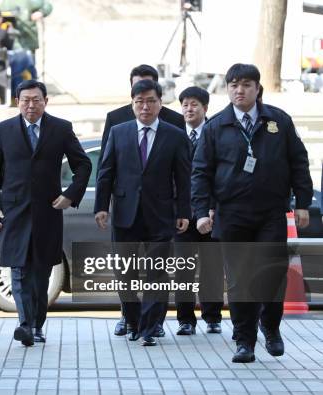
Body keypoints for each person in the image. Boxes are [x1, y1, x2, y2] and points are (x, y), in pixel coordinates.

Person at [192, 63, 312, 363]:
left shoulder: (278, 121)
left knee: (271, 275)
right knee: (239, 279)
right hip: (232, 214)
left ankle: (270, 327)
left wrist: (302, 203)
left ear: (258, 88)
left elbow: (298, 162)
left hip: (271, 212)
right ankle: (244, 341)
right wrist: (201, 211)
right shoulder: (217, 125)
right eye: (233, 85)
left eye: (245, 84)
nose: (239, 90)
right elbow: (201, 172)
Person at [0, 80, 91, 345]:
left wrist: (70, 195)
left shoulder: (61, 128)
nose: (30, 105)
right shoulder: (5, 129)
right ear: (18, 102)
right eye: (24, 100)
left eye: (35, 100)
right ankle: (25, 324)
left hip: (47, 213)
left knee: (40, 275)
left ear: (45, 101)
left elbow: (83, 165)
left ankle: (37, 324)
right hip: (15, 213)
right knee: (18, 272)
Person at [94, 79, 191, 346]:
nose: (145, 107)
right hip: (125, 213)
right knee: (124, 273)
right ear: (132, 104)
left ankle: (150, 329)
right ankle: (134, 321)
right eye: (139, 102)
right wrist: (101, 207)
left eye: (150, 101)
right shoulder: (119, 132)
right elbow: (106, 172)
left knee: (156, 274)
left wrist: (184, 211)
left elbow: (183, 178)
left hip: (161, 214)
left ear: (160, 103)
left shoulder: (175, 134)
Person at [174, 86, 224, 336]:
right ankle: (185, 319)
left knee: (212, 266)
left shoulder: (215, 134)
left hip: (211, 214)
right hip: (182, 215)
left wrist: (213, 207)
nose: (189, 109)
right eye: (185, 104)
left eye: (194, 104)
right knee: (183, 267)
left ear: (205, 108)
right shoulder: (173, 136)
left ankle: (213, 316)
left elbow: (220, 175)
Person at [99, 64, 185, 171]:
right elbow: (105, 164)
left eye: (147, 84)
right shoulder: (115, 118)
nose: (143, 88)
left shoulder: (175, 120)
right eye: (138, 85)